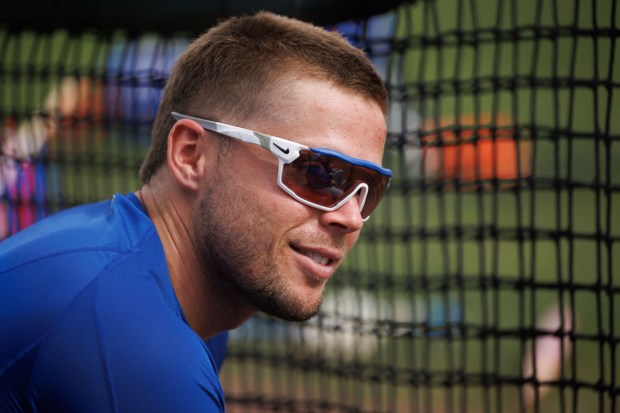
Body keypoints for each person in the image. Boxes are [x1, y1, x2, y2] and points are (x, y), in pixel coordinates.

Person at [0, 11, 391, 412]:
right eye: (318, 172)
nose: (351, 217)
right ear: (191, 155)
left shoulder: (144, 277)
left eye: (368, 188)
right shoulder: (138, 342)